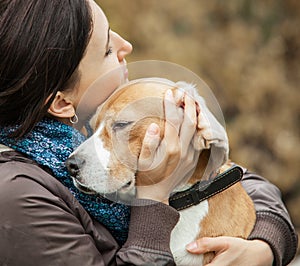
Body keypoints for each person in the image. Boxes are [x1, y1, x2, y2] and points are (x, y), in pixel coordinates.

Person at [0, 0, 297, 265]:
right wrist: (153, 194)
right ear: (62, 102)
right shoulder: (18, 197)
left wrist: (264, 245)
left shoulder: (87, 132)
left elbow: (240, 181)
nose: (125, 44)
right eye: (106, 49)